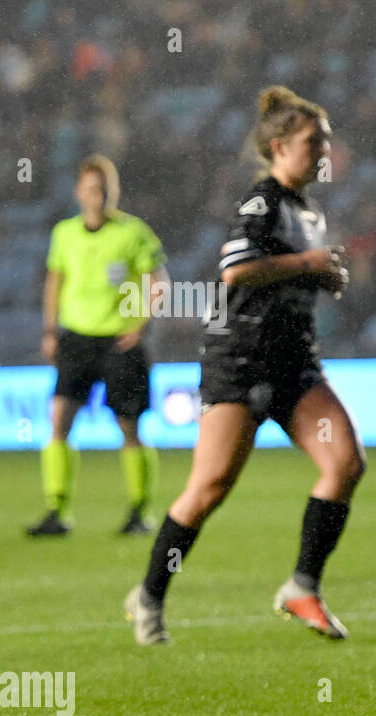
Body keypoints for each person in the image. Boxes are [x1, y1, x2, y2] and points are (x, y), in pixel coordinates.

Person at [126, 86, 365, 645]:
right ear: (279, 147)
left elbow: (284, 274)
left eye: (326, 142)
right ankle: (151, 596)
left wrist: (322, 276)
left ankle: (303, 585)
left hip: (295, 364)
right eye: (313, 142)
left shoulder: (308, 211)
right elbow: (236, 269)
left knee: (346, 463)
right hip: (240, 362)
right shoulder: (264, 201)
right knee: (208, 488)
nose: (323, 152)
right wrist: (309, 262)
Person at [27, 155, 170, 537]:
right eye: (91, 189)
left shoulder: (133, 232)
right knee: (59, 420)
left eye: (104, 190)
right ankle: (57, 510)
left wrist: (140, 324)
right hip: (76, 338)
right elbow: (55, 281)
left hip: (119, 341)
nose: (97, 197)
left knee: (129, 426)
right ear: (79, 193)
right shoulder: (65, 234)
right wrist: (49, 329)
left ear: (113, 192)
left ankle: (140, 511)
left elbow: (158, 282)